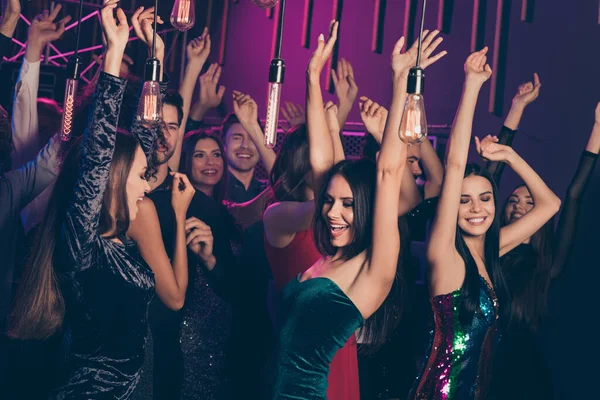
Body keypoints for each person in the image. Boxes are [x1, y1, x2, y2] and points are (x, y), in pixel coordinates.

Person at [7, 2, 184, 398]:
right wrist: (115, 53)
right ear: (112, 182)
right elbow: (100, 153)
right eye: (140, 177)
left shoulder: (113, 238)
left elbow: (143, 137)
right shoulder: (83, 245)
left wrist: (156, 58)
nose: (146, 184)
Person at [270, 21, 439, 399]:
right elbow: (319, 160)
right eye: (329, 201)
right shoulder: (329, 252)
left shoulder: (374, 268)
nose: (332, 212)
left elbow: (389, 169)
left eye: (347, 205)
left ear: (364, 208)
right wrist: (312, 76)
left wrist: (401, 80)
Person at [409, 48, 561, 400]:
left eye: (485, 198)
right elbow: (457, 161)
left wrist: (509, 154)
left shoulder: (494, 249)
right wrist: (473, 85)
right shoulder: (445, 254)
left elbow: (550, 204)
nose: (476, 208)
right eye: (463, 200)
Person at [484, 77, 600, 399]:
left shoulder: (549, 264)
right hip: (477, 365)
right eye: (513, 201)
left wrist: (598, 129)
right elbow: (489, 179)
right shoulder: (488, 251)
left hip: (523, 375)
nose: (519, 207)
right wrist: (516, 108)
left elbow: (574, 195)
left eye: (529, 202)